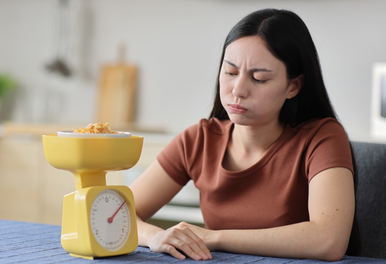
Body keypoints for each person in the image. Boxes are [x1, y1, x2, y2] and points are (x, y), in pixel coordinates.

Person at [129, 8, 355, 262]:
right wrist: (154, 237)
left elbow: (329, 241)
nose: (238, 90)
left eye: (258, 78)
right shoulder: (199, 140)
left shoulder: (322, 137)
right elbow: (115, 215)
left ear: (293, 86)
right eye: (231, 72)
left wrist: (215, 237)